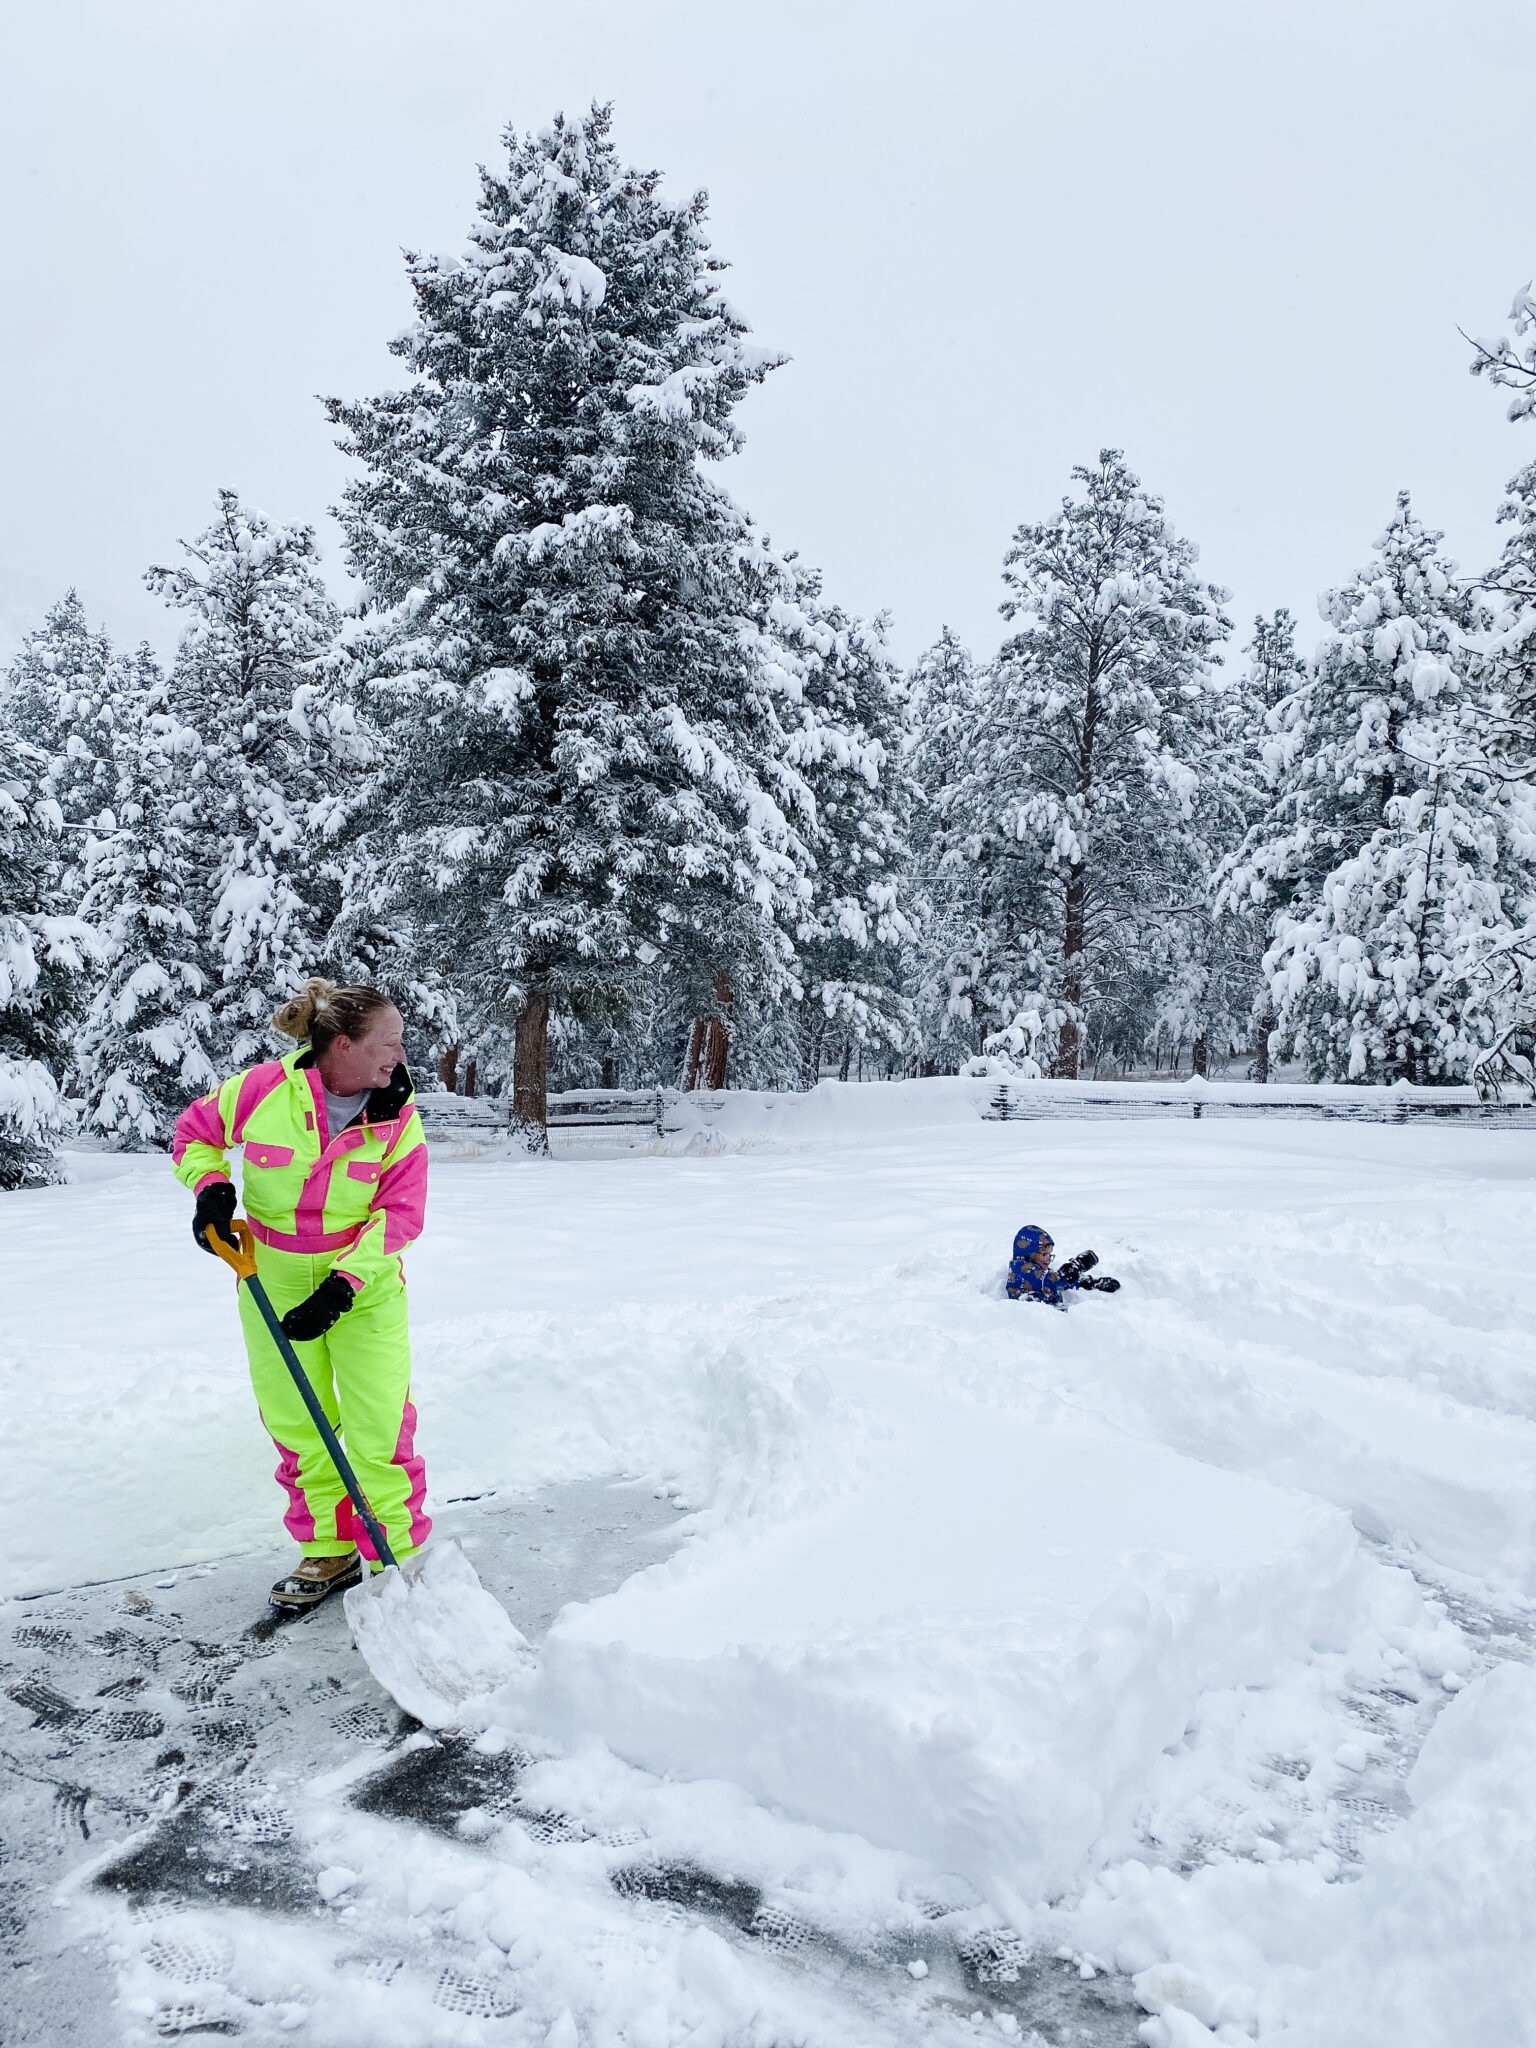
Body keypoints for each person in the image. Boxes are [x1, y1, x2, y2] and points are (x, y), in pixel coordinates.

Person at [173, 979, 431, 1610]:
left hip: (361, 1283)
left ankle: (395, 1557)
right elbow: (193, 1134)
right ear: (342, 1044)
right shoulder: (263, 1091)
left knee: (379, 1425)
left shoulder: (396, 1112)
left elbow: (400, 1212)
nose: (400, 1055)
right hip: (271, 1274)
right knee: (297, 1420)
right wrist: (209, 1188)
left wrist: (343, 1283)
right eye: (389, 1042)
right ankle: (329, 1549)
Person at [1006, 1225, 1121, 1306]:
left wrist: (1089, 1283)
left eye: (1050, 1254)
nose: (1048, 1259)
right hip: (1033, 1325)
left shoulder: (1040, 1272)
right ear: (1029, 1254)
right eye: (1044, 1254)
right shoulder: (1022, 1270)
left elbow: (1061, 1284)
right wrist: (1073, 1269)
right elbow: (1052, 1281)